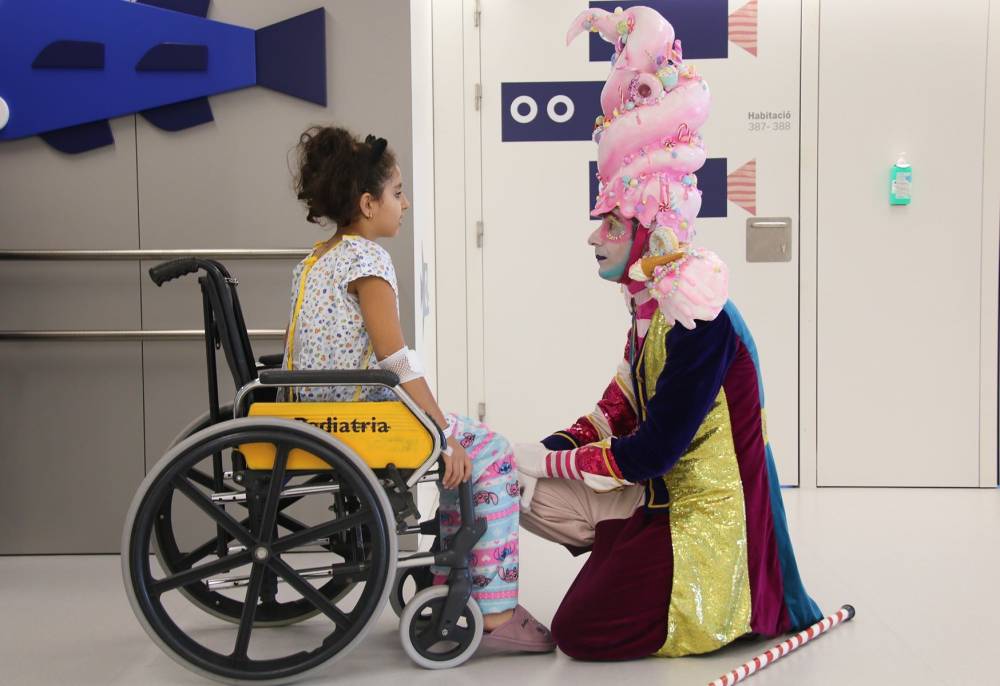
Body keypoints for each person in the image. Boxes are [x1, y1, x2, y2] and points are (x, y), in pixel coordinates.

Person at [514, 5, 824, 660]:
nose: (595, 237)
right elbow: (612, 411)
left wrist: (545, 457)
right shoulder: (650, 310)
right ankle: (629, 557)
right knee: (532, 495)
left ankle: (679, 586)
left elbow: (653, 451)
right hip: (657, 499)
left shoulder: (695, 316)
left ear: (649, 228)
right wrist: (527, 456)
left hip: (705, 520)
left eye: (610, 225)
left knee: (579, 632)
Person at [281, 125, 554, 654]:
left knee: (466, 448)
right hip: (360, 419)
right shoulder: (367, 261)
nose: (404, 205)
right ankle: (493, 611)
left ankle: (450, 580)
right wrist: (443, 432)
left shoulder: (316, 259)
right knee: (490, 452)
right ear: (367, 203)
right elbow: (395, 361)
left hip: (313, 413)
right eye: (398, 193)